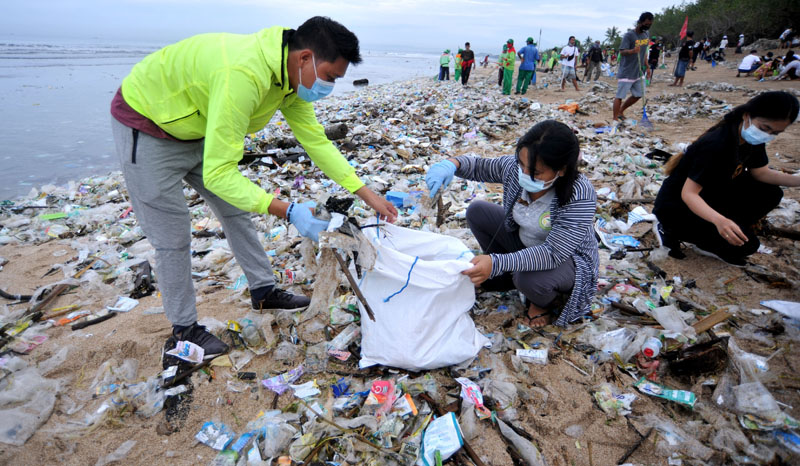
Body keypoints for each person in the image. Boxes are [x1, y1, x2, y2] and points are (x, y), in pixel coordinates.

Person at [110, 16, 398, 358]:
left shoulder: (289, 78)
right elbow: (219, 174)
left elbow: (316, 142)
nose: (329, 86)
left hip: (198, 126)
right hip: (148, 124)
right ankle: (184, 329)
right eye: (331, 77)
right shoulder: (243, 76)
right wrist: (288, 210)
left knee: (236, 210)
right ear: (305, 58)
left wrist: (366, 194)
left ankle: (264, 291)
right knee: (172, 235)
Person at [424, 120, 598, 327]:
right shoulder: (515, 170)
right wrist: (451, 165)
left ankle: (543, 303)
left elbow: (554, 253)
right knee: (477, 211)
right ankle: (506, 277)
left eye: (536, 172)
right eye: (522, 164)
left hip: (566, 262)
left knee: (529, 281)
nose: (525, 174)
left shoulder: (579, 195)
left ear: (561, 170)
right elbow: (479, 167)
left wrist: (497, 262)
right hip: (526, 242)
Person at [654, 91, 800, 266]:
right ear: (747, 116)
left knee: (771, 193)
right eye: (765, 128)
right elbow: (689, 194)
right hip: (678, 208)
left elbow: (761, 173)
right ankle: (670, 229)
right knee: (748, 246)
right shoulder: (717, 144)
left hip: (713, 194)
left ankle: (726, 231)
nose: (768, 135)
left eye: (775, 132)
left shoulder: (751, 140)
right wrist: (720, 221)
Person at [613, 12, 653, 121]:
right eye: (646, 24)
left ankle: (621, 111)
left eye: (649, 25)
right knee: (620, 96)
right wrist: (632, 51)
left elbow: (644, 52)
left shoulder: (646, 34)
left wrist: (647, 67)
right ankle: (615, 119)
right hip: (627, 71)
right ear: (640, 22)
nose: (647, 26)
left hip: (638, 71)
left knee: (639, 94)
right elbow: (622, 52)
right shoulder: (629, 35)